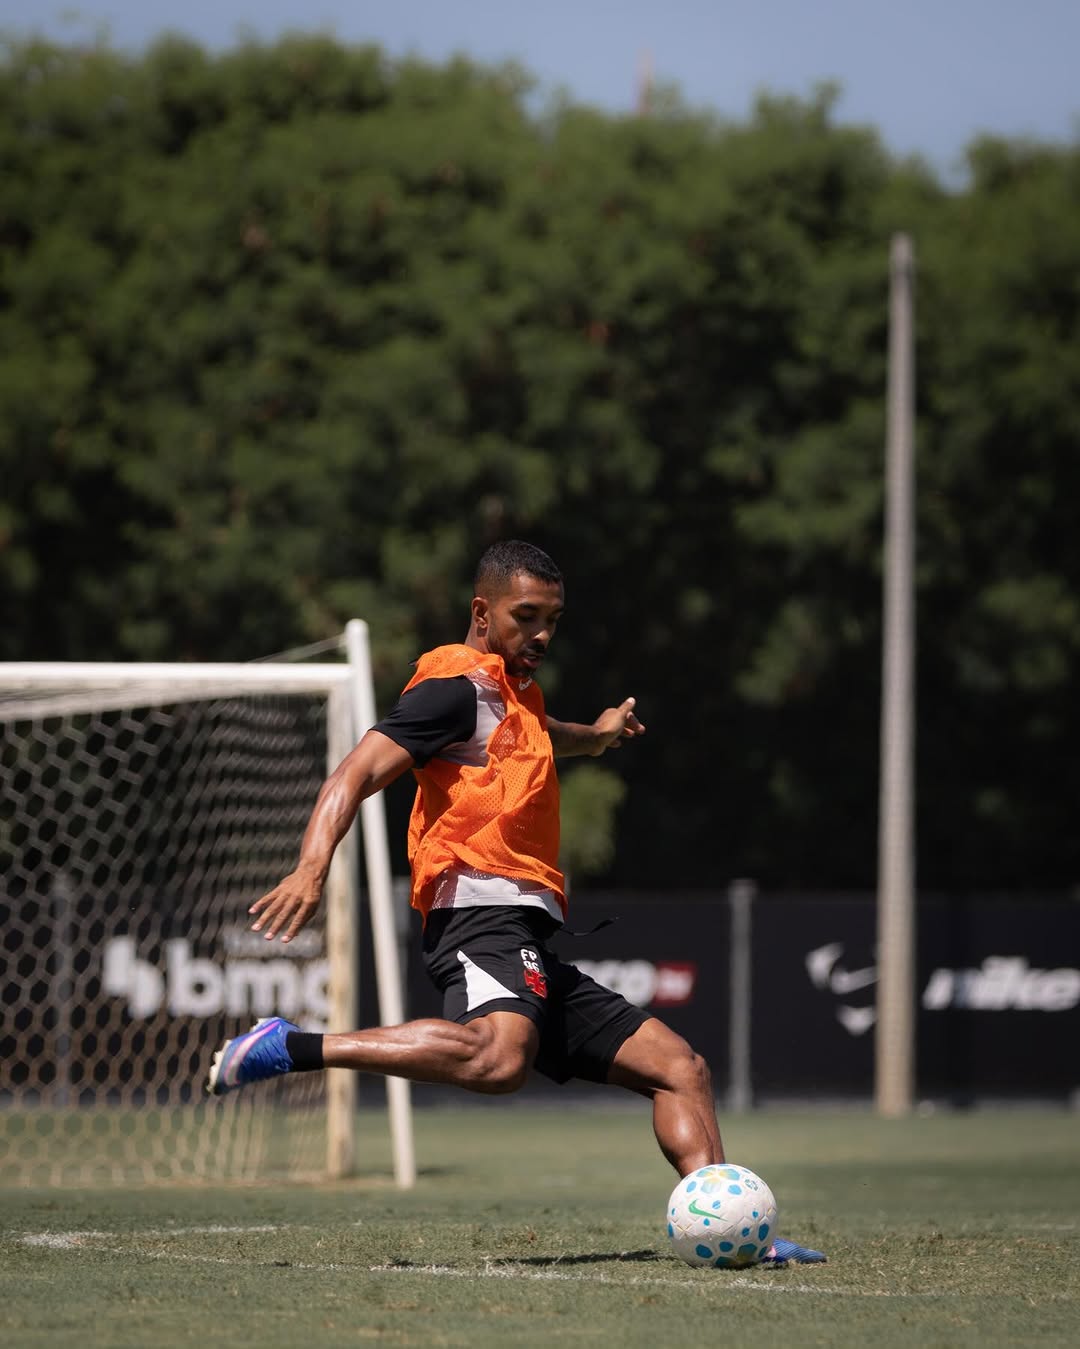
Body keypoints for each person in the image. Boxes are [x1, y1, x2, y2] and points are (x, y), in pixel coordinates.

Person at [206, 539, 824, 1265]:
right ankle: (290, 1046)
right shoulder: (451, 690)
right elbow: (355, 772)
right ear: (482, 612)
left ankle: (736, 1233)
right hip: (476, 914)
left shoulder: (513, 694)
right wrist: (312, 867)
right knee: (499, 1062)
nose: (541, 634)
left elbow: (541, 737)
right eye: (526, 616)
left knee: (680, 1069)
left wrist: (597, 736)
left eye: (552, 620)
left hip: (522, 930)